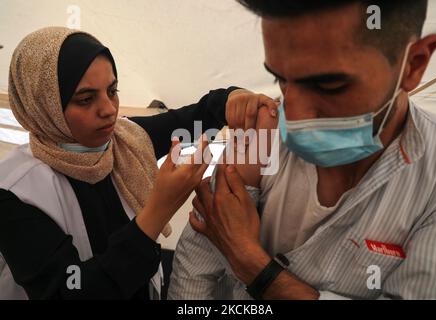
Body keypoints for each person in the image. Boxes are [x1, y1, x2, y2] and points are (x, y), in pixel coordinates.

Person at [169, 0, 436, 300]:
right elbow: (196, 263)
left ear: (414, 64)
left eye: (329, 85)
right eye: (281, 78)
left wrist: (250, 262)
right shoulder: (265, 129)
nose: (294, 113)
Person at [0, 27, 277, 300]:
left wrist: (232, 98)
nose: (108, 110)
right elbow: (69, 288)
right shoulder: (15, 191)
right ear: (43, 105)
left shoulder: (125, 140)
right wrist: (158, 211)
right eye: (85, 99)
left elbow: (197, 117)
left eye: (112, 90)